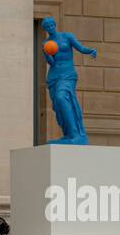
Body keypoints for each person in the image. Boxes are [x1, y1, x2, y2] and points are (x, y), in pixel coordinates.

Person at [41, 17, 96, 145]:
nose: (49, 28)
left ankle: (76, 134)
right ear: (45, 29)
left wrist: (90, 51)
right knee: (59, 106)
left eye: (51, 25)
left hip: (68, 74)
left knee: (61, 97)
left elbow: (80, 48)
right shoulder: (46, 43)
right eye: (46, 26)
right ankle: (68, 134)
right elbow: (51, 62)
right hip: (54, 75)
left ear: (54, 24)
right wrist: (46, 54)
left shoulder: (67, 36)